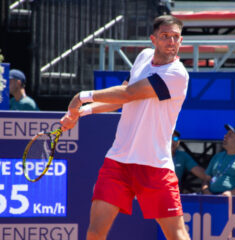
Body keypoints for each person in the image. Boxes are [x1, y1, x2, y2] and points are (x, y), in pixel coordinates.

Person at [60, 15, 190, 240]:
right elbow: (122, 99)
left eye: (176, 37)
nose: (171, 41)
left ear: (181, 41)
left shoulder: (177, 74)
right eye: (165, 36)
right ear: (153, 39)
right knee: (94, 232)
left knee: (176, 235)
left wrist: (82, 97)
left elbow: (129, 93)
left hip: (155, 166)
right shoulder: (143, 57)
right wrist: (82, 112)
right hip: (118, 163)